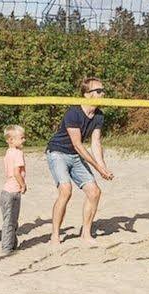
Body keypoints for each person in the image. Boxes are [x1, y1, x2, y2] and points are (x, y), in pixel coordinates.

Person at [47, 75, 113, 246]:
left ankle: (86, 234)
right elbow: (77, 145)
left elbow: (96, 143)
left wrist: (103, 167)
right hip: (58, 152)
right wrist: (98, 168)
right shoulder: (74, 112)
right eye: (98, 91)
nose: (102, 93)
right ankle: (55, 235)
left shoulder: (99, 116)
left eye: (103, 90)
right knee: (66, 191)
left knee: (94, 192)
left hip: (75, 156)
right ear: (86, 94)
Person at [0, 123, 27, 256]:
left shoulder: (8, 152)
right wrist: (23, 184)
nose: (24, 140)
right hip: (12, 192)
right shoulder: (18, 153)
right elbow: (16, 172)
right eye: (21, 138)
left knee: (9, 220)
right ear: (11, 140)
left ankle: (12, 245)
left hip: (5, 192)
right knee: (11, 222)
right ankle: (7, 248)